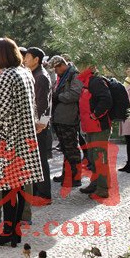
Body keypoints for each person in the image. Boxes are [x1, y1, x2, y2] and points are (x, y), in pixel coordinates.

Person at [0, 38, 43, 247]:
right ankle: (14, 231)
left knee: (8, 187)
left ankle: (8, 232)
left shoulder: (6, 76)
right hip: (24, 136)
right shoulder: (25, 73)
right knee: (18, 186)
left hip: (8, 139)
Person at [77, 65, 113, 199]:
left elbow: (106, 100)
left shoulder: (96, 81)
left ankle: (103, 189)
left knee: (99, 158)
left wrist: (94, 115)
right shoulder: (86, 82)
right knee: (92, 157)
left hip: (99, 126)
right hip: (90, 127)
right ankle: (95, 184)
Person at [49, 55, 83, 187]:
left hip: (69, 117)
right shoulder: (64, 76)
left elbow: (75, 94)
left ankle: (76, 178)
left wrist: (59, 97)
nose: (55, 72)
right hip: (61, 117)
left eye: (56, 69)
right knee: (65, 149)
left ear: (62, 65)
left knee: (72, 149)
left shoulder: (74, 75)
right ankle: (67, 174)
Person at [24, 47, 53, 203]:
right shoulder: (34, 74)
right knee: (35, 158)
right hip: (36, 123)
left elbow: (43, 103)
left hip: (39, 125)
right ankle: (36, 191)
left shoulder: (40, 76)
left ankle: (44, 194)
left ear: (36, 59)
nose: (24, 60)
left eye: (27, 57)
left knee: (40, 159)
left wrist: (40, 123)